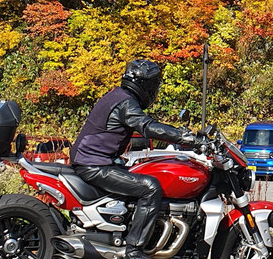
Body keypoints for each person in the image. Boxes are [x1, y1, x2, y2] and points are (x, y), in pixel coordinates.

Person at [70, 59, 196, 259]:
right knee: (150, 187)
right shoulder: (126, 102)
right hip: (93, 164)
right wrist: (182, 136)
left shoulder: (118, 95)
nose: (154, 90)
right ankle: (134, 250)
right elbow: (146, 126)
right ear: (145, 85)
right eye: (154, 85)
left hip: (94, 161)